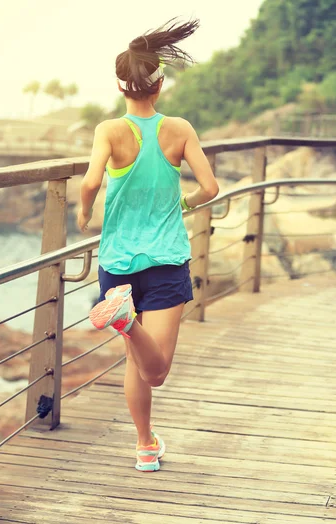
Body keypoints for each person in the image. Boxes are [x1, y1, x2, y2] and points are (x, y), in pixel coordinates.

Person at [76, 18, 219, 472]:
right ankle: (127, 321)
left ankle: (144, 445)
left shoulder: (109, 131)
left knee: (137, 365)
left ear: (122, 88)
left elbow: (92, 180)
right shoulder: (178, 129)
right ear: (159, 86)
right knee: (155, 371)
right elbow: (211, 187)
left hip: (117, 262)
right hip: (165, 259)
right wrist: (187, 202)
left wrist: (83, 214)